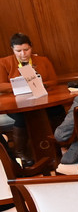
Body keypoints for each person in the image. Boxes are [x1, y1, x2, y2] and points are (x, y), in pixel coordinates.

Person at [0, 32, 62, 164]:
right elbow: (0, 86)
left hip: (41, 98)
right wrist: (20, 84)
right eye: (18, 51)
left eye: (26, 50)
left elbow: (53, 81)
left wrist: (39, 83)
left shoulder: (43, 60)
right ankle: (21, 153)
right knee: (22, 117)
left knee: (57, 110)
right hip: (15, 102)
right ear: (13, 50)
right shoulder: (4, 63)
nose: (23, 54)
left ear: (31, 48)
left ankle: (61, 145)